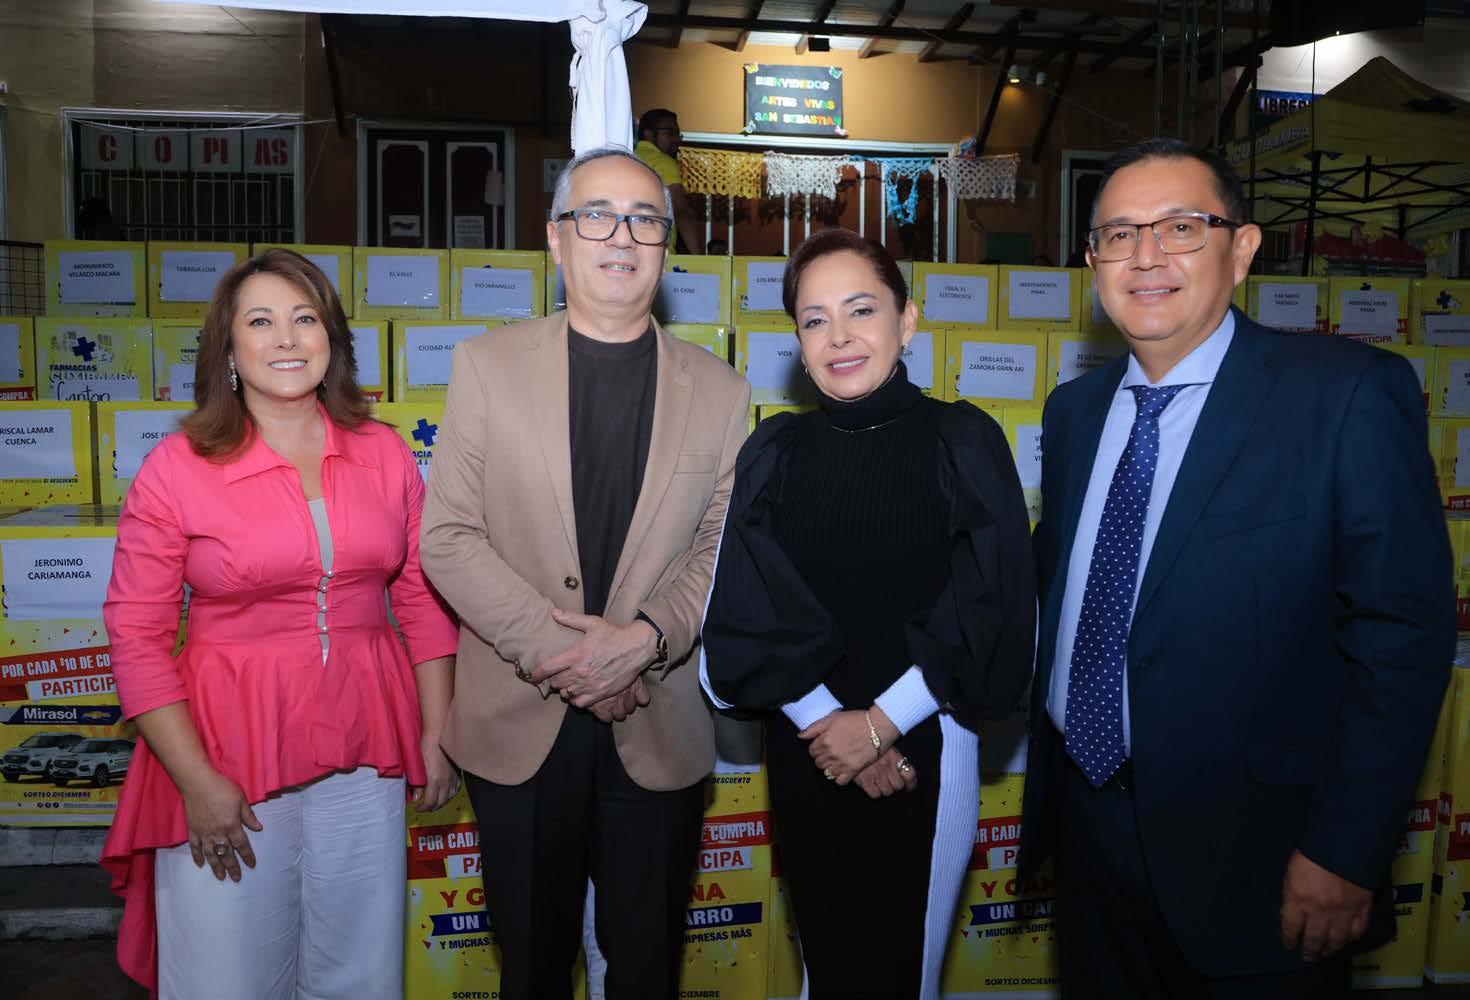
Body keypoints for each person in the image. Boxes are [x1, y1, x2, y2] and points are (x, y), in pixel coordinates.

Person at [1019, 138, 1455, 998]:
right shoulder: (1074, 412)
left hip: (1263, 857)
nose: (1146, 256)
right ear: (1093, 262)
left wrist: (1345, 848)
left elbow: (1404, 638)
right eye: (1118, 234)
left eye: (1181, 227)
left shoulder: (1345, 395)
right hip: (1088, 834)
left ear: (1243, 249)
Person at [419, 146, 750, 1000]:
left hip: (656, 718)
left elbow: (722, 547)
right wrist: (572, 658)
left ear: (667, 245)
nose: (621, 236)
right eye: (596, 215)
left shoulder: (722, 392)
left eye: (644, 220)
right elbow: (448, 538)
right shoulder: (486, 367)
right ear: (556, 238)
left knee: (646, 972)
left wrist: (643, 642)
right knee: (532, 968)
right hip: (520, 723)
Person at [99, 249, 460, 998]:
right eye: (261, 322)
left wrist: (437, 729)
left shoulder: (385, 452)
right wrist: (196, 780)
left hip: (367, 742)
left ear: (332, 339)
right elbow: (135, 636)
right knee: (226, 971)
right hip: (224, 749)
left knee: (359, 971)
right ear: (228, 350)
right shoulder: (178, 466)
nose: (288, 339)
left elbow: (423, 601)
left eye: (305, 319)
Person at [700, 228, 1037, 1000]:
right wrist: (833, 727)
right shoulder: (775, 451)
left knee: (901, 978)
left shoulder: (962, 440)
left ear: (906, 320)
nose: (839, 336)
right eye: (815, 319)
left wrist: (882, 724)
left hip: (925, 749)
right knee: (825, 975)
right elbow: (746, 614)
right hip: (807, 750)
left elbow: (991, 611)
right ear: (797, 342)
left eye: (861, 310)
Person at [635, 108, 704, 254]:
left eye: (678, 134)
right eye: (669, 133)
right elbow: (681, 210)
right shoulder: (662, 162)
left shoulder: (629, 157)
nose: (676, 139)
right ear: (648, 134)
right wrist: (699, 257)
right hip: (660, 254)